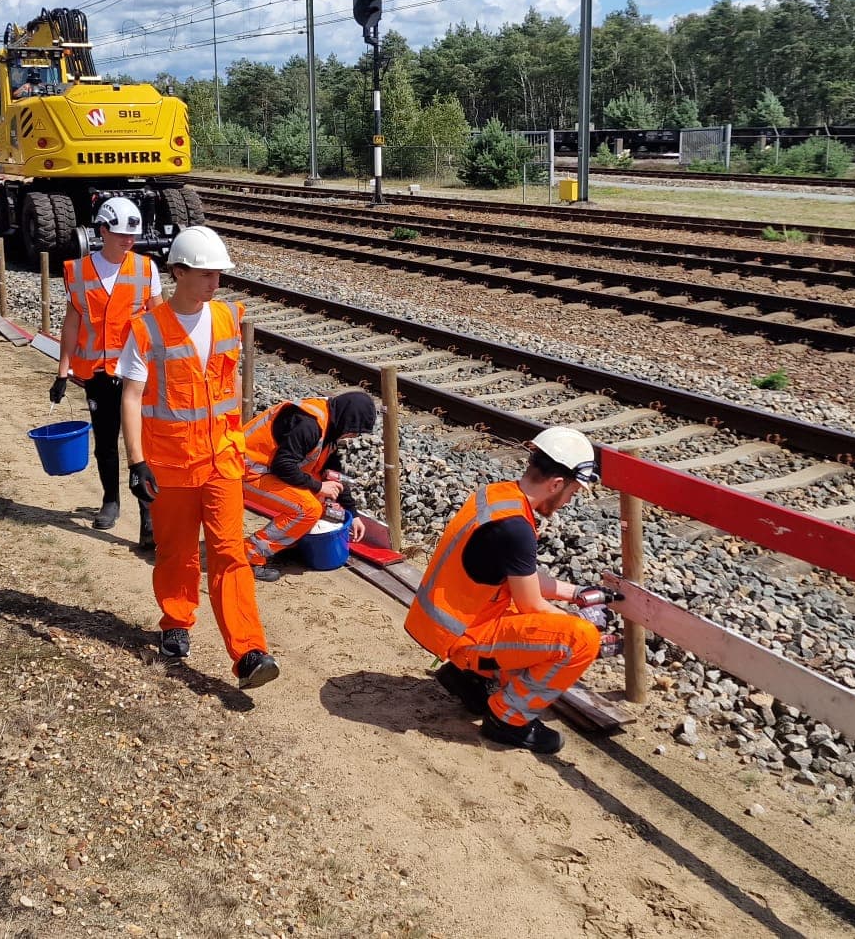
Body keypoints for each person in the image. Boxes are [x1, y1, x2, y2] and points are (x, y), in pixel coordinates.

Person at [119, 226, 279, 690]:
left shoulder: (227, 319)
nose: (215, 283)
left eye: (219, 274)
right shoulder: (148, 329)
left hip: (222, 462)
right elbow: (131, 396)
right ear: (178, 273)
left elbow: (231, 389)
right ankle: (175, 621)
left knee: (230, 553)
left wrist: (240, 444)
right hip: (169, 465)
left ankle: (249, 651)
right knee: (177, 553)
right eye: (207, 274)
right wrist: (135, 462)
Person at [405, 427, 606, 754]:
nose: (569, 500)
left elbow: (521, 576)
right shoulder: (515, 529)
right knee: (580, 640)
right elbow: (533, 606)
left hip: (457, 621)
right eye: (572, 491)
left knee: (542, 620)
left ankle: (467, 679)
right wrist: (587, 625)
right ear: (556, 484)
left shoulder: (499, 497)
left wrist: (578, 593)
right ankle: (507, 720)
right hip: (463, 637)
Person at [53, 197, 161, 544]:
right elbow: (72, 323)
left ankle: (148, 516)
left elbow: (160, 323)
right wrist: (62, 371)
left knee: (141, 445)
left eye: (132, 236)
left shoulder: (147, 269)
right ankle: (110, 501)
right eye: (119, 235)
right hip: (98, 374)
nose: (127, 241)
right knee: (105, 442)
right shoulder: (79, 271)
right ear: (102, 231)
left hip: (136, 374)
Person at [239, 392, 378, 581]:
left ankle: (286, 543)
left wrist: (353, 514)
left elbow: (332, 472)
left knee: (318, 501)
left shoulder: (331, 424)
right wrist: (319, 486)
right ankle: (251, 554)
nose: (354, 436)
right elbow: (283, 465)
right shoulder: (309, 425)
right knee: (307, 509)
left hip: (267, 468)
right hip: (246, 470)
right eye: (355, 431)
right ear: (348, 421)